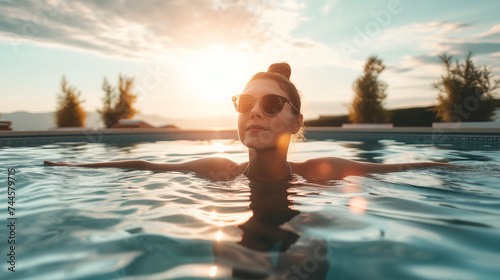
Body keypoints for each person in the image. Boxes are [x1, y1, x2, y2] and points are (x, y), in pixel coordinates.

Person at [44, 62, 454, 182]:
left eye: (273, 104)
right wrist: (73, 166)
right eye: (244, 102)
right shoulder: (218, 169)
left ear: (296, 122)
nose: (254, 111)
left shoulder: (323, 173)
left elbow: (403, 166)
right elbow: (143, 165)